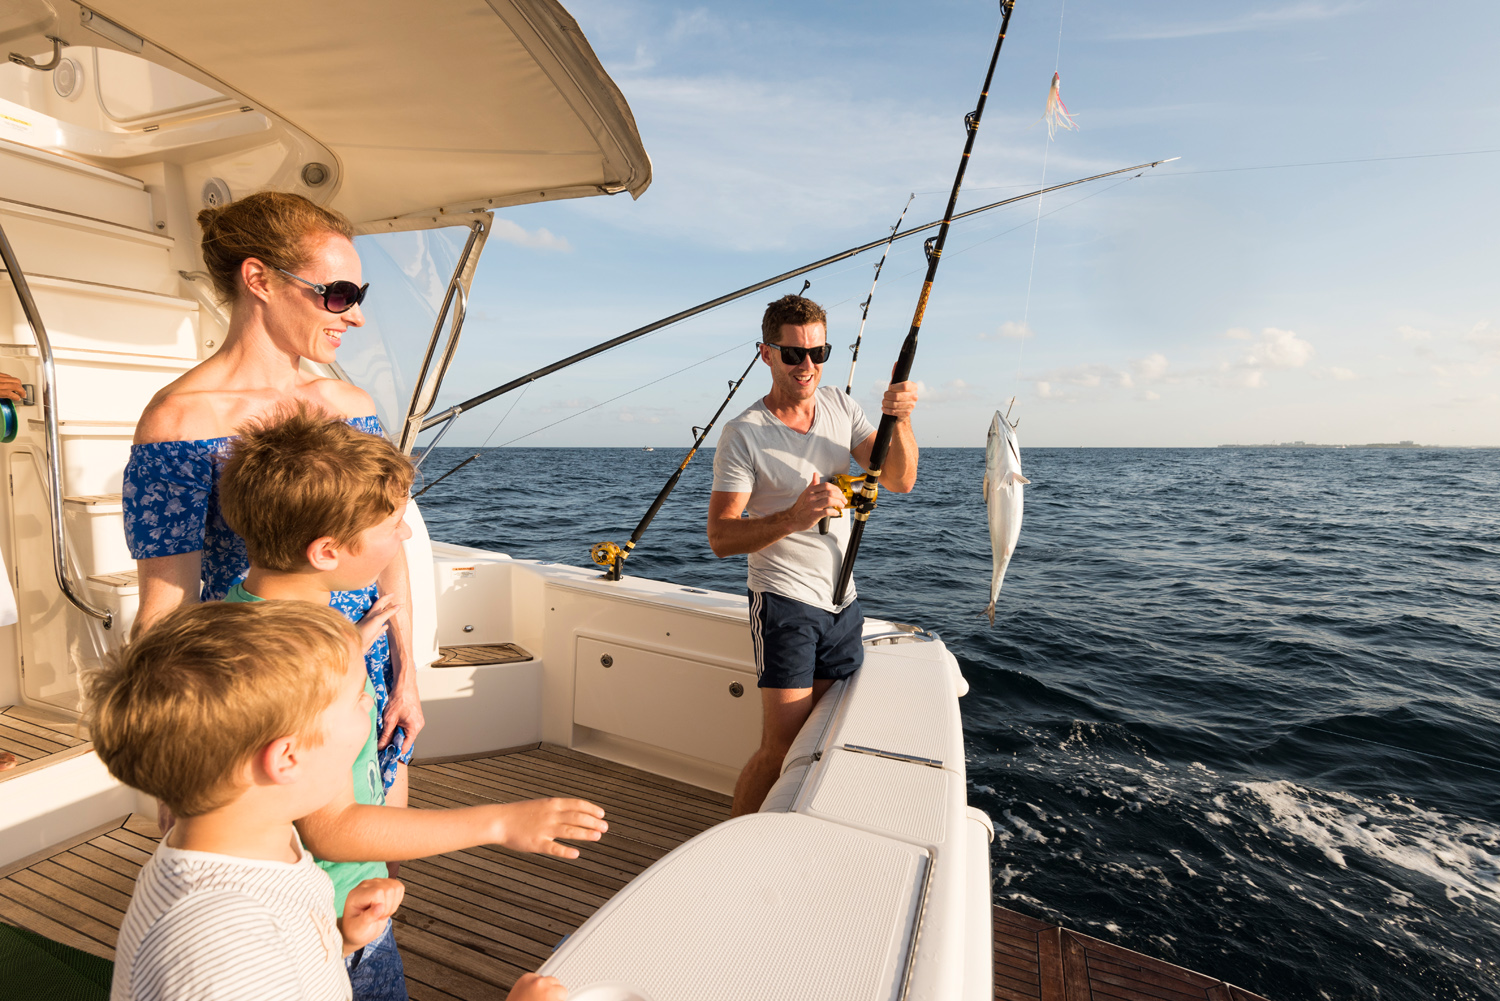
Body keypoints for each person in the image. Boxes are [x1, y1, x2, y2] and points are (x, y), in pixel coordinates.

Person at [218, 406, 603, 1001]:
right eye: (393, 524)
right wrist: (501, 821)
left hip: (289, 914)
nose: (404, 536)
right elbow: (332, 829)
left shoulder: (238, 621)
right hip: (332, 919)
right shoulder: (313, 667)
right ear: (326, 552)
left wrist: (355, 639)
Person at [123, 191, 421, 803]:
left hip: (365, 682)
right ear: (258, 278)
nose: (354, 316)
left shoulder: (350, 406)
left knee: (370, 877)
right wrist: (175, 771)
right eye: (338, 295)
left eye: (358, 298)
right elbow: (165, 610)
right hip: (263, 691)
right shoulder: (178, 424)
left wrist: (405, 675)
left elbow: (387, 550)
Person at [87, 601, 406, 1001]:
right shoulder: (219, 941)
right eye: (360, 698)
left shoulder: (266, 846)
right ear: (287, 758)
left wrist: (339, 940)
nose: (370, 703)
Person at [708, 295, 919, 817]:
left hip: (842, 603)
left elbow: (900, 479)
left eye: (819, 352)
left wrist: (902, 418)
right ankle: (733, 843)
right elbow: (720, 537)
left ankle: (789, 836)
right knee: (781, 748)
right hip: (785, 606)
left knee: (818, 744)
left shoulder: (841, 407)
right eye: (793, 354)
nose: (808, 366)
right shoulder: (743, 435)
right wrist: (791, 519)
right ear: (766, 353)